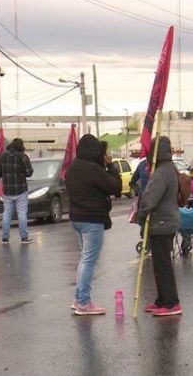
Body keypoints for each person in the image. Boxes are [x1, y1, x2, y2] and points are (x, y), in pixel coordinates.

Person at [65, 135, 122, 315]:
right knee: (89, 261)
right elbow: (115, 187)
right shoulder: (94, 169)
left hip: (76, 218)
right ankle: (83, 302)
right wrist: (111, 166)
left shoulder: (73, 167)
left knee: (85, 259)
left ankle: (79, 298)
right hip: (92, 219)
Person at [138, 136, 183, 316]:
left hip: (162, 222)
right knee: (159, 263)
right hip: (167, 220)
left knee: (162, 263)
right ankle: (162, 299)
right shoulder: (169, 169)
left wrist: (141, 214)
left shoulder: (160, 172)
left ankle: (171, 303)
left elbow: (149, 200)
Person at [0, 138, 33, 244]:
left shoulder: (3, 156)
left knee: (7, 214)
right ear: (21, 147)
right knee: (22, 214)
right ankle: (24, 238)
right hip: (21, 190)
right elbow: (29, 172)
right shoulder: (23, 157)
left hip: (7, 190)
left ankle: (5, 238)